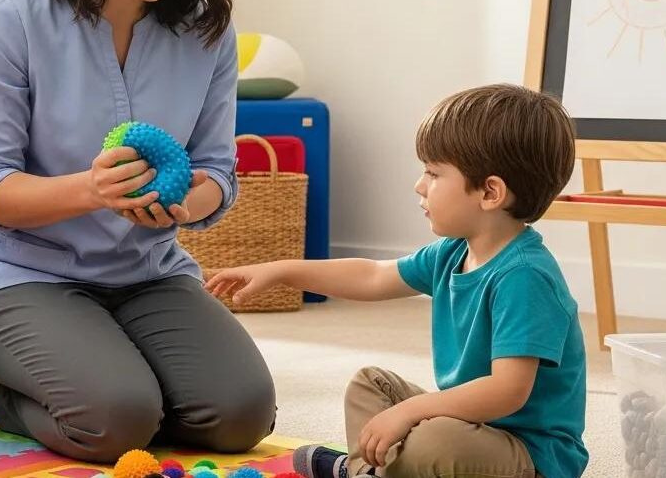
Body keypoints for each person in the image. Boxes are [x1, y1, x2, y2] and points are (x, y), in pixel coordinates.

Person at [0, 0, 275, 463]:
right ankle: (9, 390)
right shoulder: (12, 18)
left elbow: (218, 172)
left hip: (147, 273)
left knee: (241, 416)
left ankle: (114, 371)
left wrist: (189, 201)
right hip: (20, 274)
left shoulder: (208, 29)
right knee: (119, 420)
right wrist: (93, 191)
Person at [208, 84, 589, 478]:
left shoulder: (524, 276)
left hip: (533, 458)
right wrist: (282, 270)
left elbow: (507, 391)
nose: (419, 185)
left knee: (433, 439)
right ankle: (369, 471)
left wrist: (410, 412)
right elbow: (372, 276)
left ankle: (367, 470)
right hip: (474, 430)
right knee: (370, 385)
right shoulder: (454, 251)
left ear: (490, 192)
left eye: (433, 173)